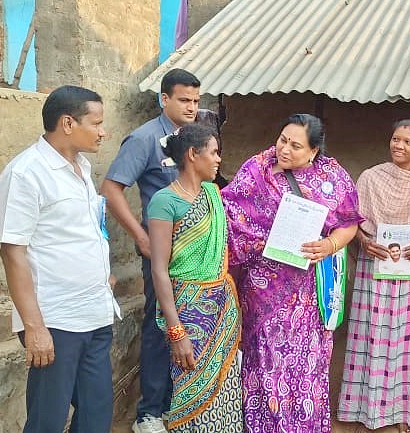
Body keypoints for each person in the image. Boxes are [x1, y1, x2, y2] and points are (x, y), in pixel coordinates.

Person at [221, 114, 362, 432]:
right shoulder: (256, 170)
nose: (284, 149)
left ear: (314, 151)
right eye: (282, 139)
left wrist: (328, 245)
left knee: (305, 365)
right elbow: (230, 215)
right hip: (262, 290)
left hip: (309, 294)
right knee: (265, 359)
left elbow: (349, 222)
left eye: (296, 145)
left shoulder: (331, 177)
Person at [0, 86, 114, 433]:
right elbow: (12, 250)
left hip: (95, 313)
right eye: (96, 123)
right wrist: (34, 327)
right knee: (47, 419)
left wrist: (102, 273)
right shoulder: (26, 173)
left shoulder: (81, 166)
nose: (102, 131)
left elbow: (86, 230)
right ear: (67, 123)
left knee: (97, 414)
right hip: (56, 320)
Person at [100, 68, 201, 433]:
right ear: (164, 99)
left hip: (196, 257)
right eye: (184, 100)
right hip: (162, 252)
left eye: (196, 100)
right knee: (161, 327)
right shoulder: (144, 139)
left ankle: (181, 403)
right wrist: (142, 239)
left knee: (189, 325)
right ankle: (149, 412)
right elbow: (111, 189)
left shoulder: (195, 138)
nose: (191, 107)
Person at [338, 119, 410, 433]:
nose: (399, 146)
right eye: (395, 139)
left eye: (407, 142)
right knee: (372, 336)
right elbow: (354, 221)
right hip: (377, 267)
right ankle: (367, 410)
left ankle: (408, 411)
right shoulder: (371, 178)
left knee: (409, 340)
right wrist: (363, 241)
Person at [147, 124, 243, 432]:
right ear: (192, 154)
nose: (218, 159)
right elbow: (159, 270)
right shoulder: (165, 201)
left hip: (221, 308)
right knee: (190, 389)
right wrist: (176, 331)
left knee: (225, 388)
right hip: (188, 310)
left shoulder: (213, 194)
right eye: (214, 152)